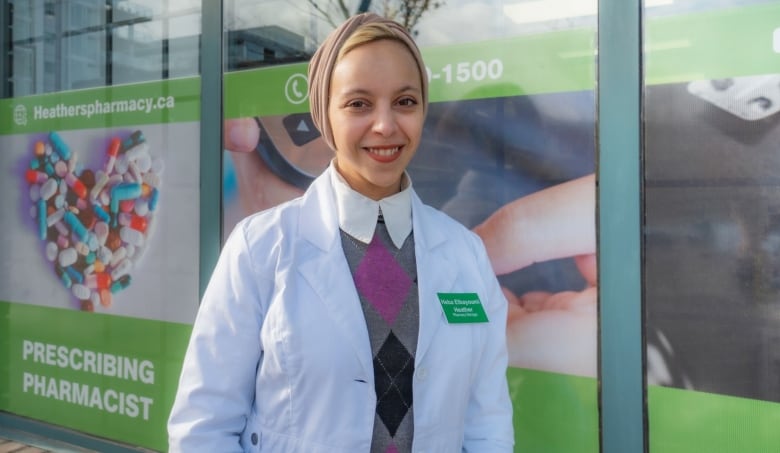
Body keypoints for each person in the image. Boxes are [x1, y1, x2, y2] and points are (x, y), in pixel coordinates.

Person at [168, 12, 514, 452]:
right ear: (324, 115)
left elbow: (487, 426)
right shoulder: (259, 248)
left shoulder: (466, 255)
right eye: (359, 104)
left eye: (405, 101)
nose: (386, 125)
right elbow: (203, 428)